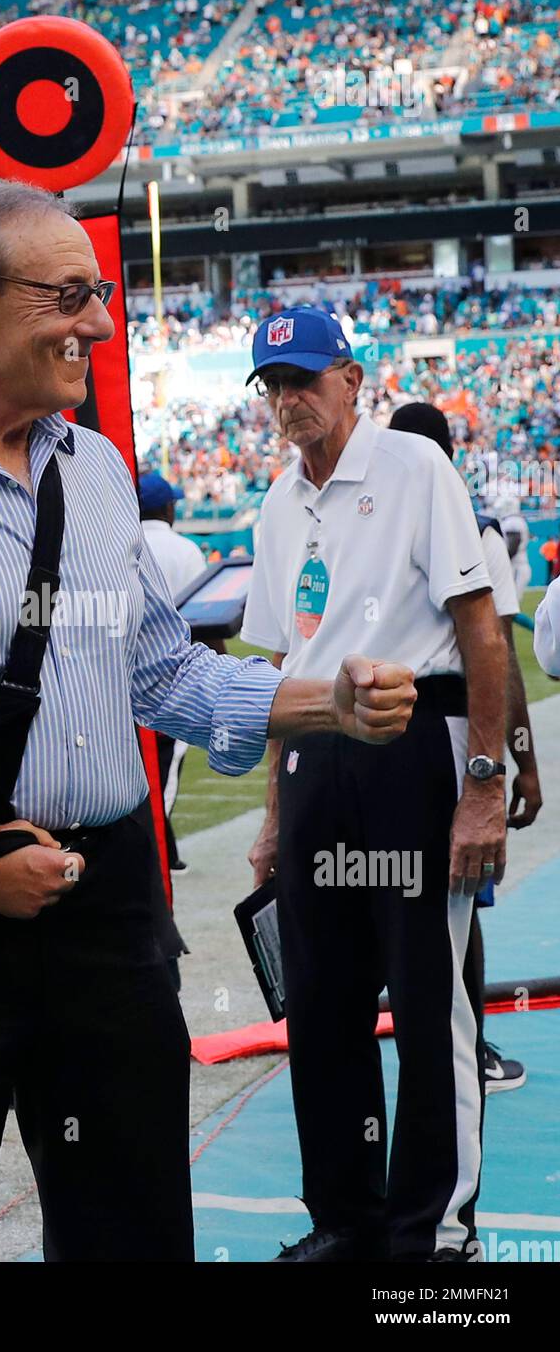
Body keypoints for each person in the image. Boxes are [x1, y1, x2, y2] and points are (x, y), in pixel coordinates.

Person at [0, 183, 415, 1264]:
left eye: (99, 296)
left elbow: (158, 670)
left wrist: (320, 703)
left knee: (133, 1233)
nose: (99, 323)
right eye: (70, 296)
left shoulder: (94, 471)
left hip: (108, 917)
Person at [241, 306, 507, 1264]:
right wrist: (274, 816)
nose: (288, 401)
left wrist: (482, 783)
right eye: (272, 385)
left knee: (428, 997)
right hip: (316, 748)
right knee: (321, 1001)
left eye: (304, 379)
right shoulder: (277, 503)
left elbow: (479, 626)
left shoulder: (411, 467)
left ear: (353, 379)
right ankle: (345, 1220)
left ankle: (430, 1233)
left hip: (408, 745)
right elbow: (280, 658)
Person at [389, 401, 542, 1094]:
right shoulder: (472, 528)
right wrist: (521, 763)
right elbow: (499, 659)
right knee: (455, 904)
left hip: (369, 737)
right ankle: (466, 1049)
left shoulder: (369, 524)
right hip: (445, 738)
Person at [139, 468, 218, 875]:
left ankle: (162, 852)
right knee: (165, 774)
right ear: (168, 507)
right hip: (175, 676)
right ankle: (156, 856)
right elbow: (204, 617)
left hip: (123, 675)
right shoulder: (184, 549)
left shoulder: (120, 538)